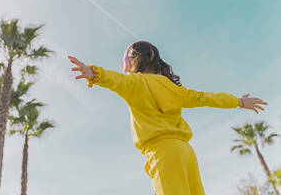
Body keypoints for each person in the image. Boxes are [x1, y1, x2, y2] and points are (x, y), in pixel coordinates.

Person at [67, 40, 268, 195]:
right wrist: (239, 102)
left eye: (124, 58)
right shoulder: (173, 88)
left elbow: (114, 80)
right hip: (186, 153)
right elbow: (206, 97)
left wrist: (92, 73)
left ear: (133, 60)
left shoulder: (134, 82)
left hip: (163, 153)